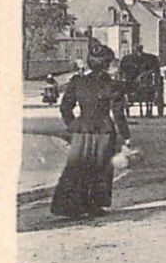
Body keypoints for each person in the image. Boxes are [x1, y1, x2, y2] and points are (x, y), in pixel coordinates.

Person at [53, 42, 131, 219]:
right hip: (104, 130)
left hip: (81, 130)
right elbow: (118, 113)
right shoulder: (113, 85)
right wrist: (126, 136)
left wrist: (72, 125)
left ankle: (70, 205)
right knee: (100, 167)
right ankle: (94, 205)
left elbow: (65, 107)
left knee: (76, 166)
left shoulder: (77, 81)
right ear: (106, 64)